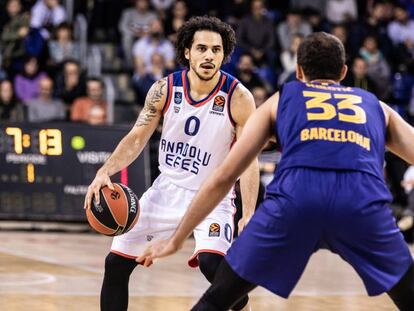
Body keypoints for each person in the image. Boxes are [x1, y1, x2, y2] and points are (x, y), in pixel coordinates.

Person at [138, 32, 414, 311]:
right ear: (343, 72)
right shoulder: (376, 106)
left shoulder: (281, 100)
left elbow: (224, 176)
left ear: (299, 71)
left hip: (295, 202)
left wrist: (176, 239)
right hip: (360, 204)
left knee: (218, 299)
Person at [84, 16, 259, 311]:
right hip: (167, 190)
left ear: (224, 54)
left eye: (216, 50)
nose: (209, 56)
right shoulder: (164, 89)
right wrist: (105, 171)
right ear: (187, 52)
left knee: (213, 265)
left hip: (213, 197)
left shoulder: (238, 97)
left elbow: (249, 159)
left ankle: (242, 307)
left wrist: (248, 212)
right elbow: (137, 137)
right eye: (201, 48)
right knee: (115, 264)